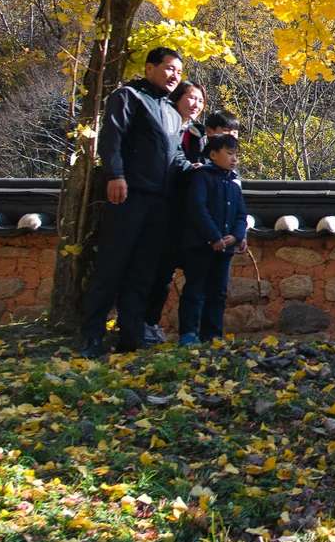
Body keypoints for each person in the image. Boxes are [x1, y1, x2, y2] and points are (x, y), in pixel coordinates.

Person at [81, 47, 190, 356]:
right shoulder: (128, 97)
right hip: (128, 194)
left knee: (143, 271)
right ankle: (91, 336)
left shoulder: (171, 111)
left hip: (160, 202)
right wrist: (116, 174)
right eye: (169, 68)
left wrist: (194, 170)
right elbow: (112, 138)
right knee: (111, 266)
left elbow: (175, 154)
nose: (174, 76)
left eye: (179, 72)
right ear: (149, 68)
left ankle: (131, 336)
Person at [140, 79, 210, 344]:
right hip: (158, 205)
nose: (196, 104)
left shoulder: (197, 133)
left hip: (185, 213)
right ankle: (144, 323)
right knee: (155, 271)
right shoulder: (162, 125)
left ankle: (182, 332)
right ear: (177, 98)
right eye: (191, 98)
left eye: (200, 100)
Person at [179, 133, 250, 346]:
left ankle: (213, 335)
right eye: (229, 154)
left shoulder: (234, 183)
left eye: (236, 155)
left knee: (218, 292)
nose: (234, 159)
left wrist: (237, 236)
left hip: (225, 248)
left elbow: (241, 214)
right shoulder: (202, 177)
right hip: (201, 245)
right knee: (195, 289)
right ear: (213, 154)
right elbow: (197, 209)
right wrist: (213, 237)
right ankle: (189, 334)